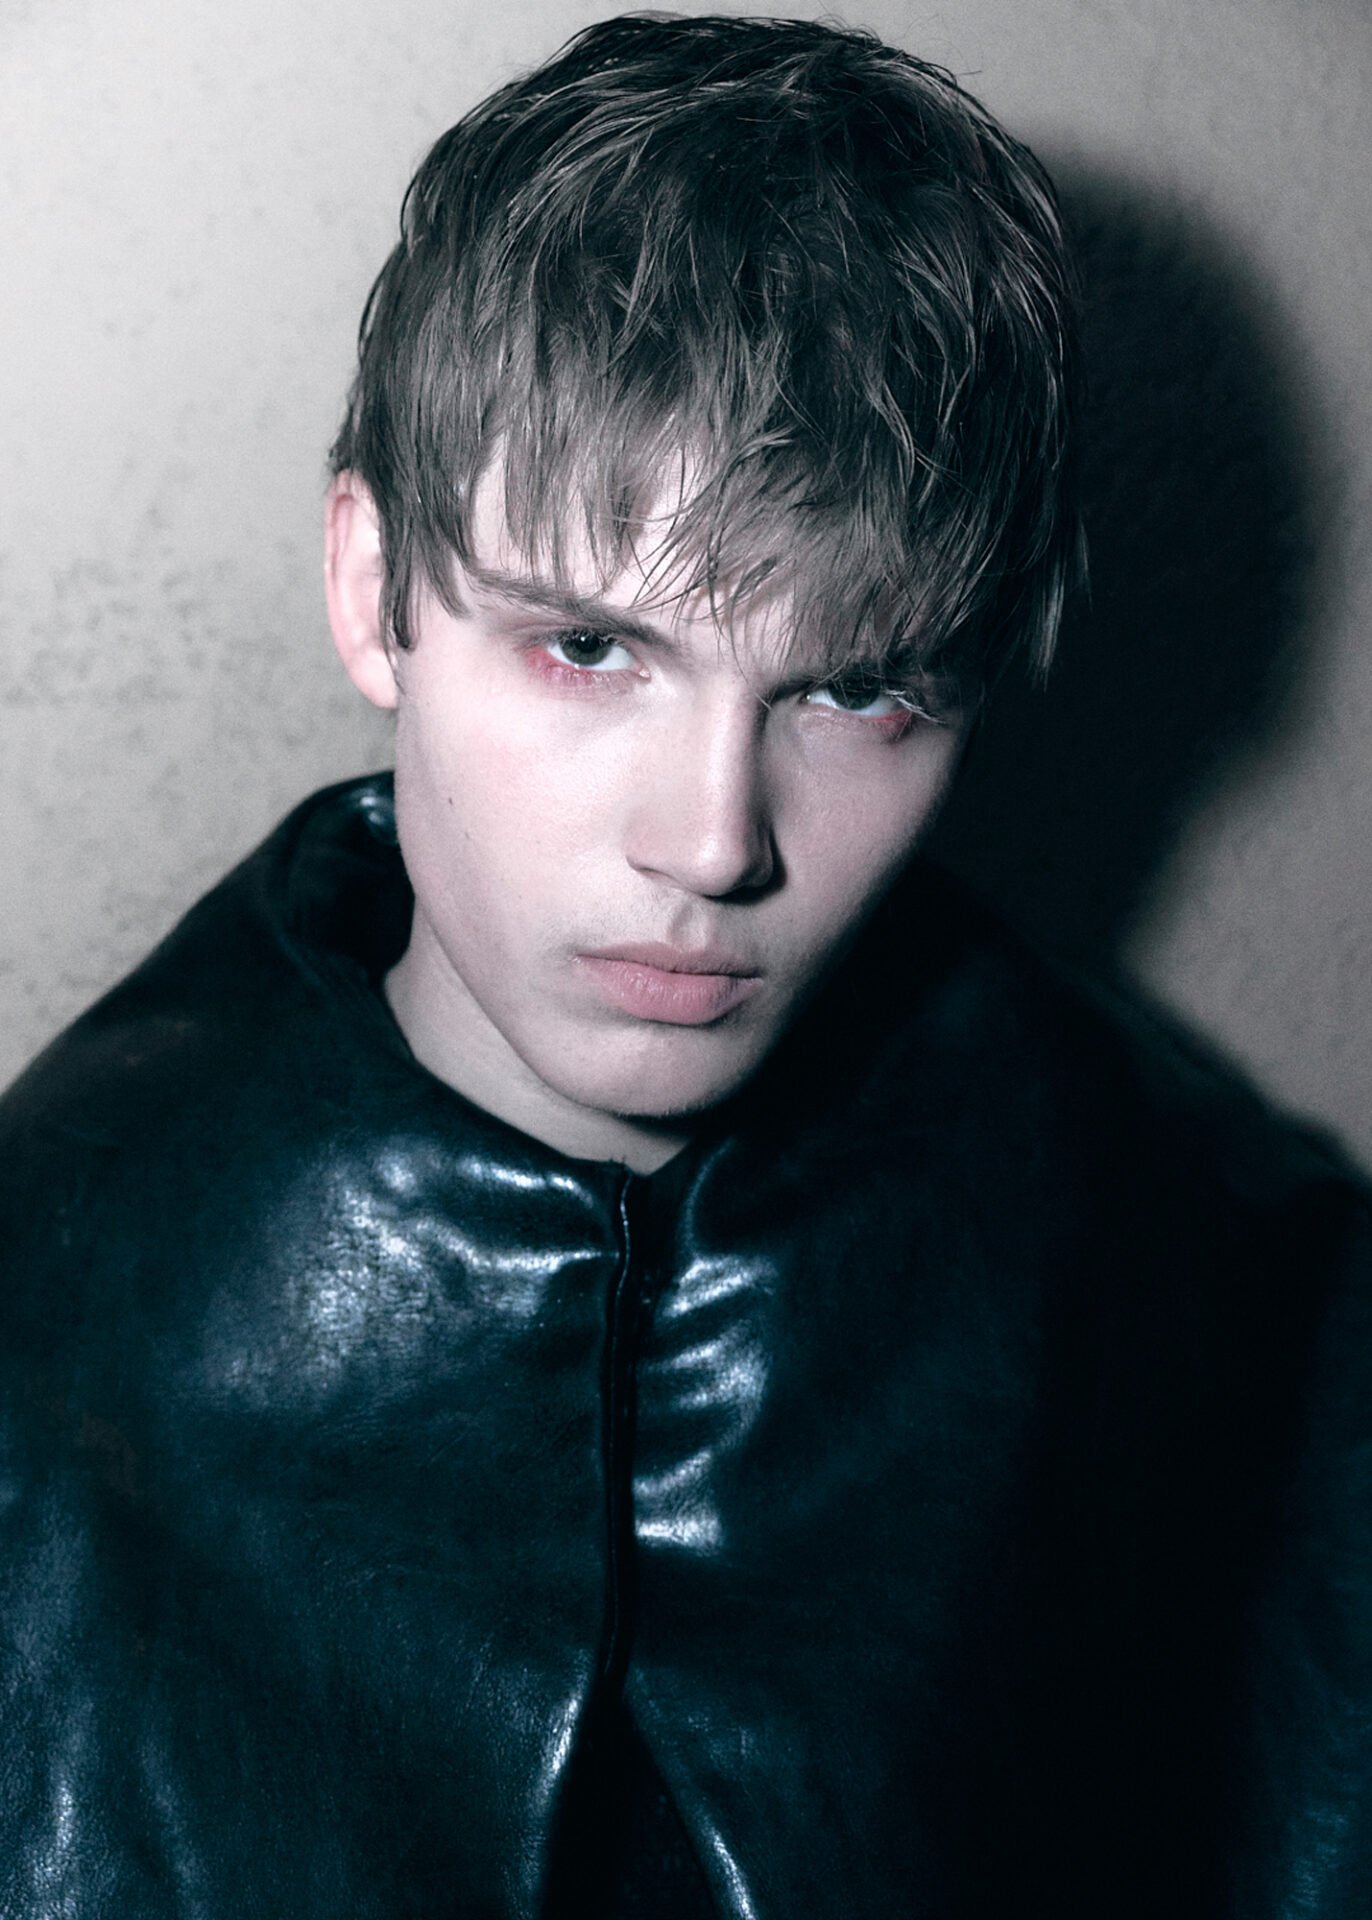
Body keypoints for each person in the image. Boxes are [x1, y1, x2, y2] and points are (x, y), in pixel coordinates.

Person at [1, 13, 1369, 1917]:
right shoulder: (43, 1344)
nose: (714, 838)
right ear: (369, 590)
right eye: (589, 651)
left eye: (857, 687)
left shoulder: (1237, 1317)